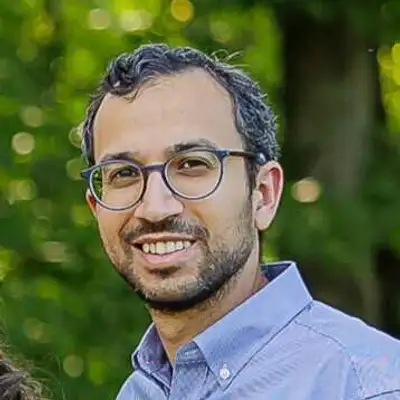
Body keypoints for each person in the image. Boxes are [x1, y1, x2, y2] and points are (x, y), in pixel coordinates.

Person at [79, 43, 400, 400]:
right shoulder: (139, 393)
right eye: (123, 173)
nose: (155, 207)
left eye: (192, 164)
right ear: (96, 207)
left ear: (263, 194)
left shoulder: (367, 387)